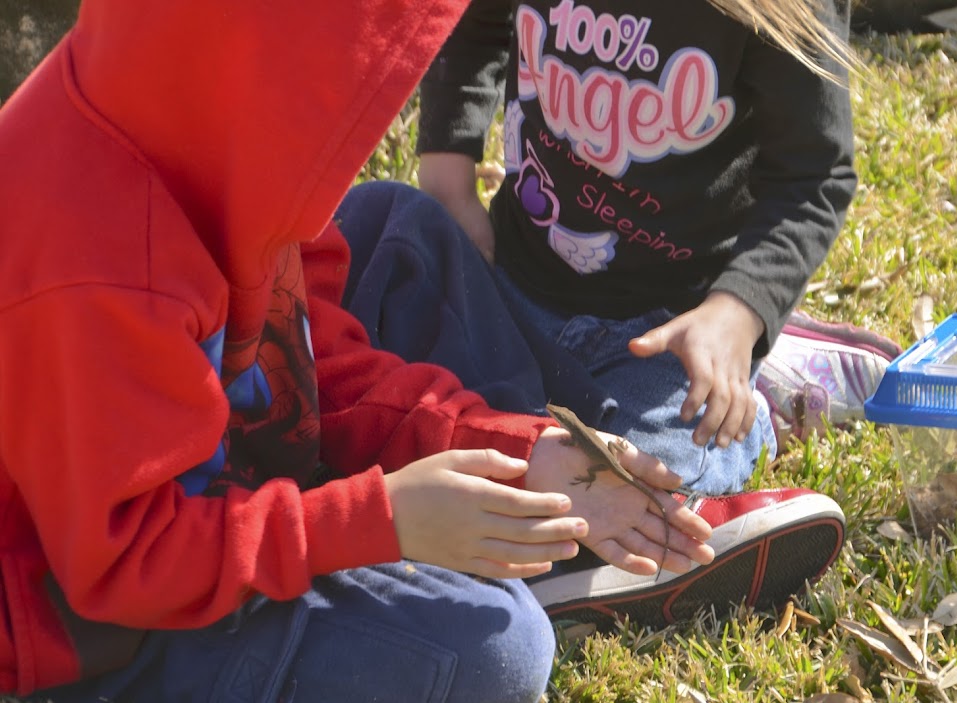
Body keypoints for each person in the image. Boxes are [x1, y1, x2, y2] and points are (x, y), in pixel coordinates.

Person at [0, 0, 851, 700]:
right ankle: (560, 547)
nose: (344, 140)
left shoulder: (210, 131)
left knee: (389, 228)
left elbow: (313, 370)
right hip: (104, 636)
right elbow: (127, 566)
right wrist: (382, 519)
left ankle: (557, 514)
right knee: (498, 646)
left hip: (225, 497)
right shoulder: (93, 268)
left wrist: (522, 452)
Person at [414, 0, 902, 497]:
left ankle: (752, 397)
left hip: (676, 337)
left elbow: (813, 178)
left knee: (628, 481)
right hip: (515, 287)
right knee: (420, 404)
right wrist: (447, 174)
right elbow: (469, 21)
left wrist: (738, 310)